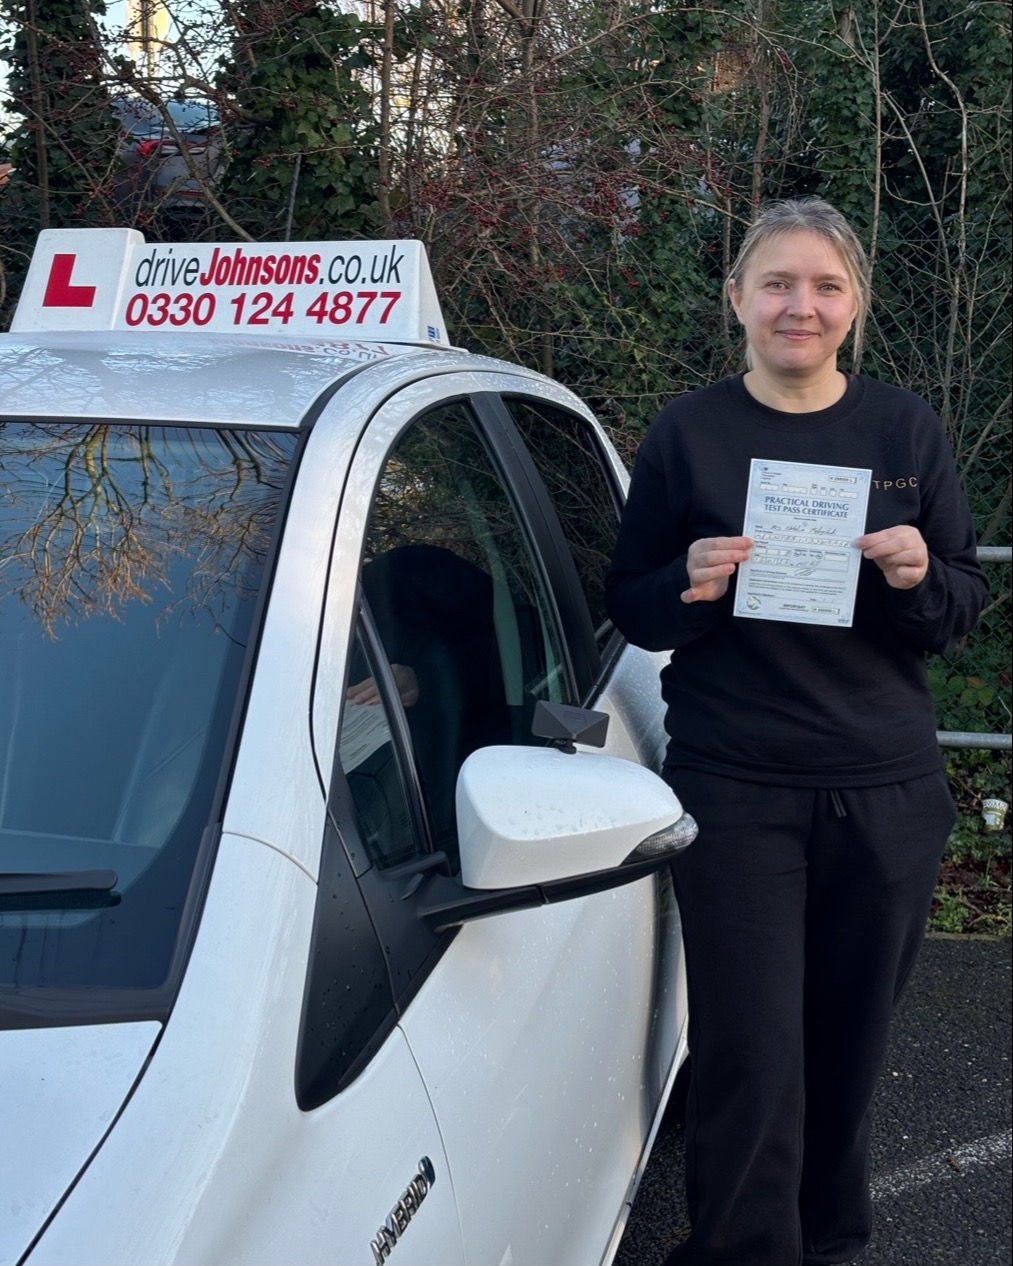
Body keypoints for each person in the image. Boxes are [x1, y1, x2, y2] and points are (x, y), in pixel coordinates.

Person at [604, 197, 986, 1266]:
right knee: (752, 1052)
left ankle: (830, 1244)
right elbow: (627, 602)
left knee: (847, 1047)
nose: (797, 306)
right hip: (737, 787)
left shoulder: (903, 429)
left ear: (853, 304)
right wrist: (683, 580)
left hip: (884, 787)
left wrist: (917, 575)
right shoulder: (688, 431)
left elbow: (956, 607)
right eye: (775, 282)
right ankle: (737, 1251)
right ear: (735, 297)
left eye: (822, 286)